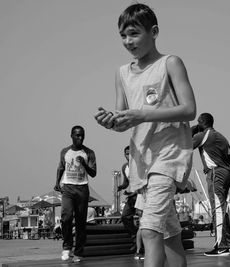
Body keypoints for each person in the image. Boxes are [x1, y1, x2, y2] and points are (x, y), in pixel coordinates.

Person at [94, 3, 196, 267]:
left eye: (134, 34)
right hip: (142, 161)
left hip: (169, 157)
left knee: (150, 230)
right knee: (170, 235)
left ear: (154, 32)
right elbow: (124, 119)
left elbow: (189, 109)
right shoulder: (122, 73)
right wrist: (111, 122)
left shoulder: (170, 63)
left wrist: (143, 114)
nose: (128, 41)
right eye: (123, 36)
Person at [192, 112, 230, 256]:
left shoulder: (201, 136)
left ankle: (221, 246)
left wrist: (192, 130)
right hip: (227, 172)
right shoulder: (222, 137)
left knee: (217, 208)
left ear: (201, 122)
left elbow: (183, 146)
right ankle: (229, 243)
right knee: (222, 208)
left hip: (216, 173)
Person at [54, 125, 97, 262]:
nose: (80, 138)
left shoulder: (89, 152)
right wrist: (57, 182)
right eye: (77, 135)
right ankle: (67, 247)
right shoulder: (65, 151)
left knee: (80, 223)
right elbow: (61, 168)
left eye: (82, 135)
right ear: (71, 135)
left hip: (82, 189)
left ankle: (78, 252)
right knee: (66, 217)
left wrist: (84, 163)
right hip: (68, 188)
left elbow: (94, 173)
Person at [117, 145, 139, 251]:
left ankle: (141, 244)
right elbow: (126, 182)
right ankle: (135, 236)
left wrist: (135, 192)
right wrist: (121, 187)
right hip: (132, 196)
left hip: (141, 195)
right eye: (126, 153)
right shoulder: (124, 167)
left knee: (144, 220)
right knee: (125, 217)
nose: (128, 155)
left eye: (130, 153)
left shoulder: (140, 164)